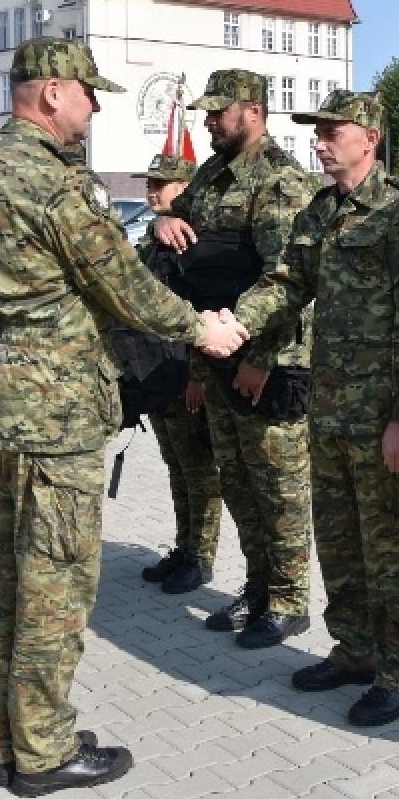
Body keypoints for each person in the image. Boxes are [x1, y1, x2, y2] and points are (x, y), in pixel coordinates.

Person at [0, 38, 249, 795]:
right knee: (54, 583)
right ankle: (43, 753)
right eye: (88, 93)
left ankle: (11, 738)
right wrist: (202, 328)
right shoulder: (58, 185)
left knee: (2, 581)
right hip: (54, 412)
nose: (95, 106)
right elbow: (124, 286)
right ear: (50, 94)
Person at [235, 89, 399, 727]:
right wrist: (236, 325)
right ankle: (353, 649)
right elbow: (286, 284)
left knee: (389, 549)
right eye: (317, 132)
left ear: (368, 139)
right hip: (327, 411)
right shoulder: (321, 212)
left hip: (383, 417)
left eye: (331, 132)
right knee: (339, 542)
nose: (320, 142)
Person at [155, 69, 317, 647]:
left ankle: (289, 598)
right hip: (216, 353)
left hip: (264, 359)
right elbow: (184, 231)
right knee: (238, 480)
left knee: (278, 486)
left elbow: (289, 280)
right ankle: (256, 584)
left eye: (218, 112)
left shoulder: (280, 181)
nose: (208, 120)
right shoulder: (211, 173)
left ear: (252, 110)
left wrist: (262, 357)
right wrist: (165, 218)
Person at [134, 154, 224, 596]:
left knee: (199, 469)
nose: (153, 190)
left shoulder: (191, 240)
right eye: (150, 183)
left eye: (162, 184)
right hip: (158, 373)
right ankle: (185, 548)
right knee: (176, 467)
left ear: (185, 187)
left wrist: (199, 376)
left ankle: (201, 556)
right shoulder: (155, 239)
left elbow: (203, 307)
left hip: (186, 370)